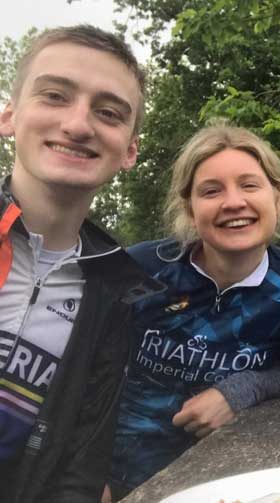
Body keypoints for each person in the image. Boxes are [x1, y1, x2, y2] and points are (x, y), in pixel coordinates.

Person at [108, 124, 280, 498]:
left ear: (276, 197)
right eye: (211, 191)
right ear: (190, 208)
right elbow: (84, 373)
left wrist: (241, 389)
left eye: (249, 185)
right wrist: (84, 476)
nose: (233, 202)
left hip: (234, 476)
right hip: (119, 475)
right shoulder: (139, 269)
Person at [0, 25, 157, 502]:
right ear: (10, 115)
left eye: (108, 112)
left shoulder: (115, 291)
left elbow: (80, 469)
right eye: (54, 95)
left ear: (129, 149)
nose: (78, 124)